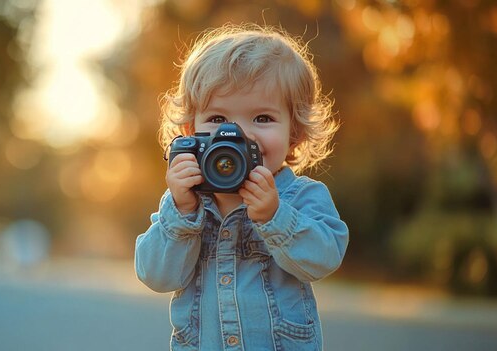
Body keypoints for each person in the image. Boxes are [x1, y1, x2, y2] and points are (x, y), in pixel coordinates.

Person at [135, 23, 349, 351]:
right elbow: (155, 275)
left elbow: (323, 260)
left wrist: (275, 217)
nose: (238, 135)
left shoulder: (301, 197)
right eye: (218, 119)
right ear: (191, 131)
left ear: (295, 132)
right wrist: (182, 212)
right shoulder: (185, 202)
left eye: (262, 118)